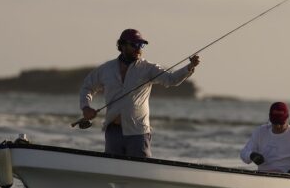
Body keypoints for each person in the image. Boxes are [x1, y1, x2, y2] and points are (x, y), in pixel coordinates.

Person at [79, 28, 200, 158]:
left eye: (141, 45)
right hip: (113, 132)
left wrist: (189, 67)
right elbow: (87, 87)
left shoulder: (148, 68)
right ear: (122, 45)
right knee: (113, 171)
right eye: (134, 44)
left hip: (138, 133)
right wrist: (86, 107)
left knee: (140, 170)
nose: (139, 48)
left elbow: (171, 80)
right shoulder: (106, 69)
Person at [240, 102, 290, 176]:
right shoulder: (260, 132)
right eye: (275, 122)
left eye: (281, 123)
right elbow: (244, 153)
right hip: (262, 176)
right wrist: (251, 155)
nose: (278, 126)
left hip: (286, 177)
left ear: (287, 118)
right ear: (270, 117)